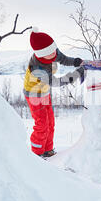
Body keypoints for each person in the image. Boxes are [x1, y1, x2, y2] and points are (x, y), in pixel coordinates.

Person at [24, 28, 86, 158]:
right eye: (50, 53)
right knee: (41, 124)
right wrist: (76, 74)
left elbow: (63, 59)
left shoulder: (51, 51)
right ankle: (36, 155)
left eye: (54, 49)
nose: (54, 54)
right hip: (34, 94)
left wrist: (75, 61)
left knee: (50, 122)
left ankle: (48, 150)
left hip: (44, 92)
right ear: (40, 54)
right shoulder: (37, 68)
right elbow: (56, 82)